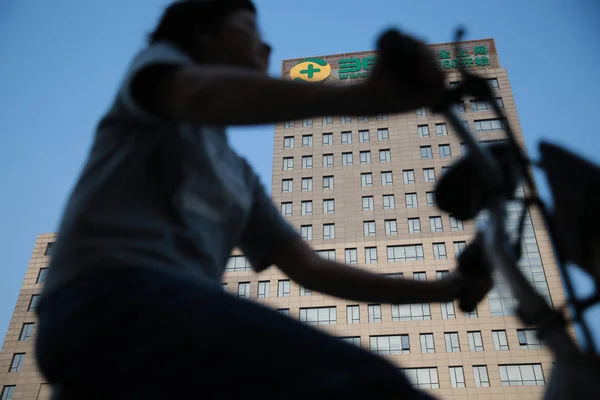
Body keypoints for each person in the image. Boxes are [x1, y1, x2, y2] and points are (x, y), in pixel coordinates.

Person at [35, 0, 492, 398]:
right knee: (365, 384)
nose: (267, 48)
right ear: (202, 33)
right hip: (104, 299)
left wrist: (446, 289)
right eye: (251, 30)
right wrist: (365, 97)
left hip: (163, 331)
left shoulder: (238, 175)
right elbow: (200, 95)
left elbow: (312, 269)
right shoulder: (155, 71)